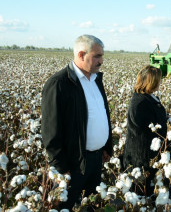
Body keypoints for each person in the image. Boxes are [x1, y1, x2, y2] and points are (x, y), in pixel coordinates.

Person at [41, 34, 113, 210]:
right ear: (81, 55)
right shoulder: (58, 84)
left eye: (102, 55)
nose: (101, 61)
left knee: (91, 206)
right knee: (64, 207)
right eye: (97, 56)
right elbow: (51, 131)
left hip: (96, 160)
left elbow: (103, 115)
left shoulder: (96, 80)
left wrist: (106, 147)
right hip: (73, 165)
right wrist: (61, 167)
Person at [122, 65, 167, 196]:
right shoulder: (140, 102)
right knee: (141, 191)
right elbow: (143, 129)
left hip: (149, 154)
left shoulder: (148, 97)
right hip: (141, 157)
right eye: (158, 80)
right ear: (151, 82)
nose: (160, 82)